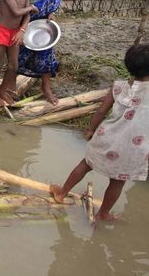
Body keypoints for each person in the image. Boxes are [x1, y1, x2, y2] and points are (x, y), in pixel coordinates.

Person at [50, 43, 149, 221]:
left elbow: (101, 111)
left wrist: (90, 129)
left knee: (85, 164)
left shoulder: (119, 86)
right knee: (117, 182)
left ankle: (62, 193)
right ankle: (103, 213)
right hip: (133, 148)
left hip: (106, 137)